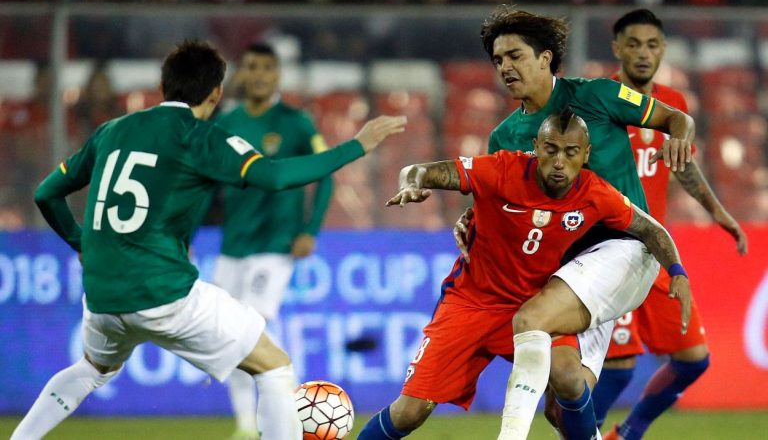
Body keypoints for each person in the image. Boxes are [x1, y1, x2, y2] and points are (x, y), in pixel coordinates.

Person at [11, 39, 406, 440]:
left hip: (101, 296)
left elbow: (46, 192)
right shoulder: (200, 136)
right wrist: (357, 145)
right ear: (216, 92)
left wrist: (81, 242)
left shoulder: (112, 130)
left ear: (164, 84)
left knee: (90, 371)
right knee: (273, 365)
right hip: (162, 292)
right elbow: (275, 177)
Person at [357, 108, 691, 440]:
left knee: (568, 378)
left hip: (535, 306)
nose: (559, 162)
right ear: (536, 146)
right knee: (410, 411)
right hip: (471, 303)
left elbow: (651, 230)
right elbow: (419, 171)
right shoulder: (502, 169)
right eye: (551, 150)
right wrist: (411, 184)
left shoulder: (594, 193)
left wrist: (677, 272)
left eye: (571, 152)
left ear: (585, 155)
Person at [450, 6, 696, 440]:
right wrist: (469, 219)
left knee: (530, 322)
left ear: (545, 58)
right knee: (565, 392)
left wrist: (679, 137)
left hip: (626, 247)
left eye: (515, 55)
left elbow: (676, 118)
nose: (505, 67)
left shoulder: (599, 95)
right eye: (498, 60)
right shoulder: (504, 137)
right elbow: (498, 208)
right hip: (568, 269)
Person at [591, 9, 748, 440]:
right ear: (617, 47)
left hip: (656, 251)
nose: (644, 53)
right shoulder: (597, 101)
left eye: (653, 44)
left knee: (693, 359)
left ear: (663, 49)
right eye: (635, 44)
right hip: (607, 248)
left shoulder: (673, 107)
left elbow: (685, 168)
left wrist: (719, 213)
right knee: (619, 369)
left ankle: (628, 433)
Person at [211, 43, 334, 440]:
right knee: (229, 331)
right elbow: (205, 182)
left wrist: (309, 230)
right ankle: (247, 425)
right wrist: (186, 231)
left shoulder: (297, 122)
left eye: (267, 67)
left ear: (278, 74)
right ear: (242, 74)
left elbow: (326, 175)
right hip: (233, 244)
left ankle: (289, 391)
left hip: (276, 244)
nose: (259, 74)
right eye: (251, 67)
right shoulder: (227, 122)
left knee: (254, 319)